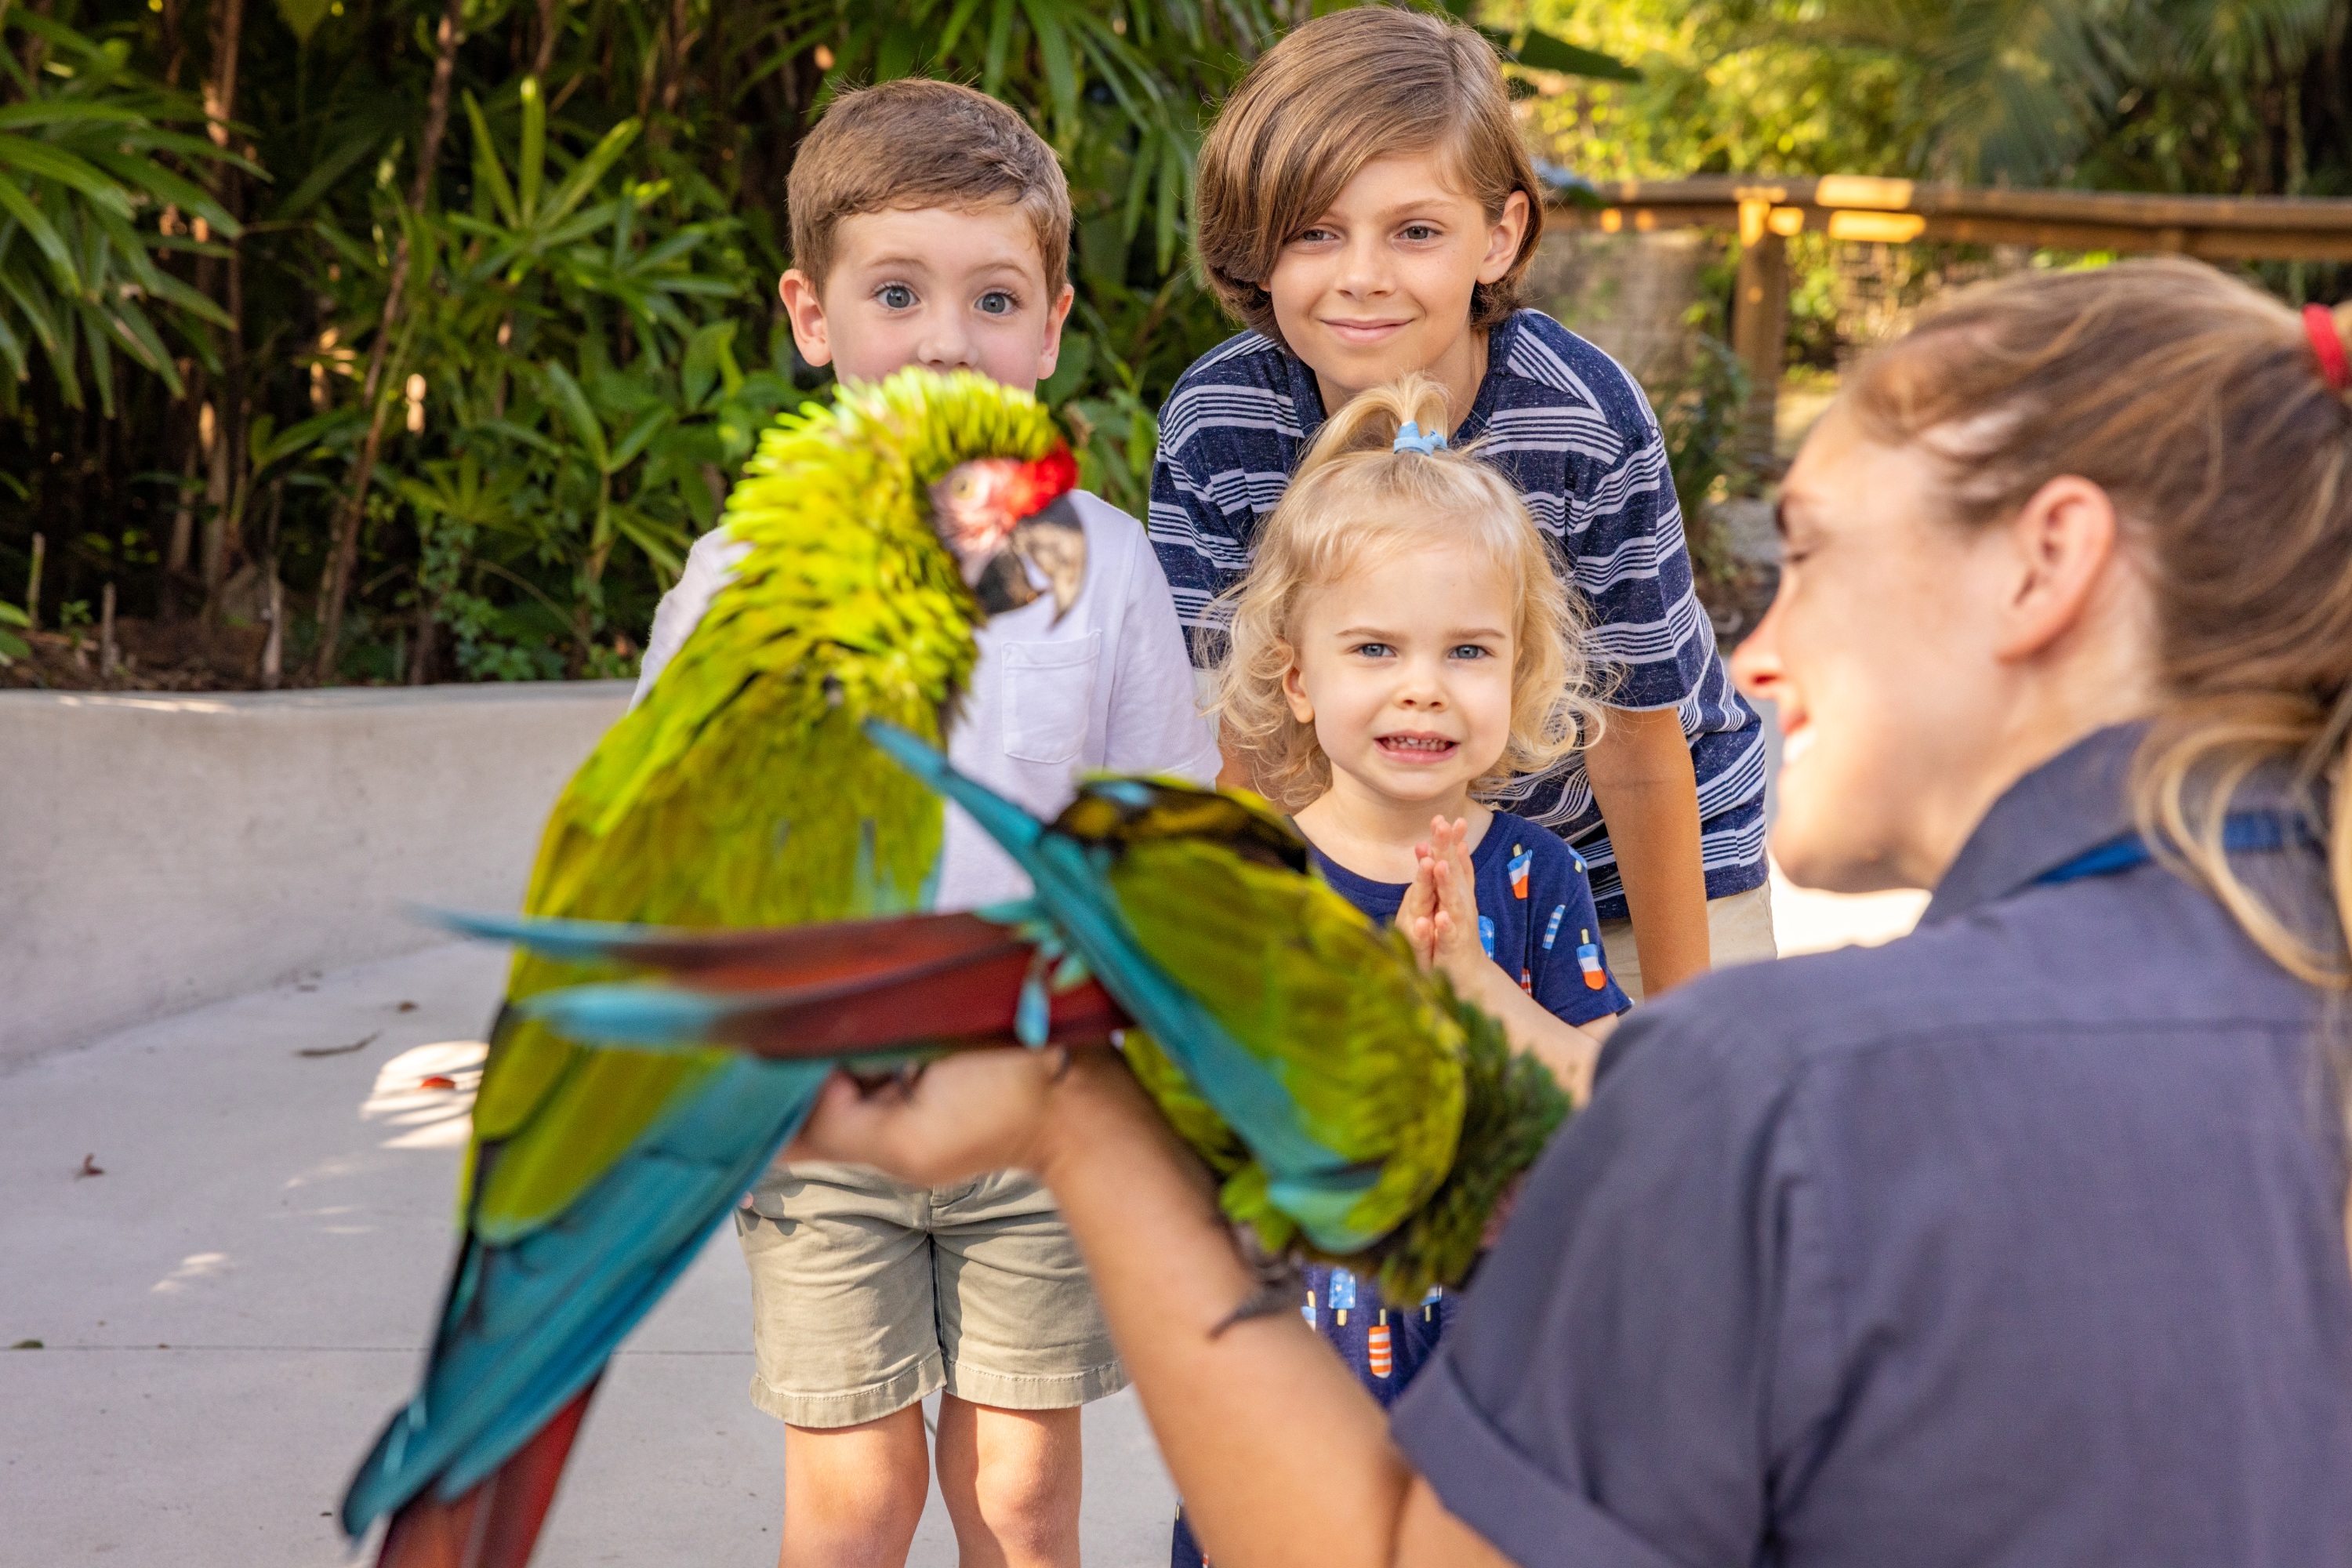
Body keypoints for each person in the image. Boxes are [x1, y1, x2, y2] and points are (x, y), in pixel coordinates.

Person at [785, 256, 2352, 1566]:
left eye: (1801, 554)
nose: (1755, 656)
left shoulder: (1795, 1087)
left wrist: (1078, 1128)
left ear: (2049, 562)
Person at [632, 79, 1219, 1568]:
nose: (946, 338)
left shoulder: (1109, 568)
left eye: (993, 297)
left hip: (1039, 1113)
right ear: (812, 316)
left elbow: (1163, 834)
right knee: (857, 1495)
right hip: (828, 1121)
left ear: (1053, 326)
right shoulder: (737, 578)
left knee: (1022, 1499)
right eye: (897, 292)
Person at [1149, 5, 1772, 1004]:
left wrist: (1674, 1034)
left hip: (1623, 861)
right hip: (1366, 856)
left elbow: (1641, 751)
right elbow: (1250, 737)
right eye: (1314, 232)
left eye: (1415, 231)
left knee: (1674, 1117)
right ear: (1257, 247)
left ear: (1498, 234)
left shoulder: (1580, 419)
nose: (1361, 276)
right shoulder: (1222, 422)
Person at [1166, 373, 1632, 1564]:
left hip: (1499, 1362)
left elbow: (1608, 1104)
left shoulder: (1534, 878)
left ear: (1519, 678)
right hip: (1298, 1356)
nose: (1423, 684)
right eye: (1375, 647)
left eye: (1466, 650)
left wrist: (1480, 984)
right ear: (1300, 679)